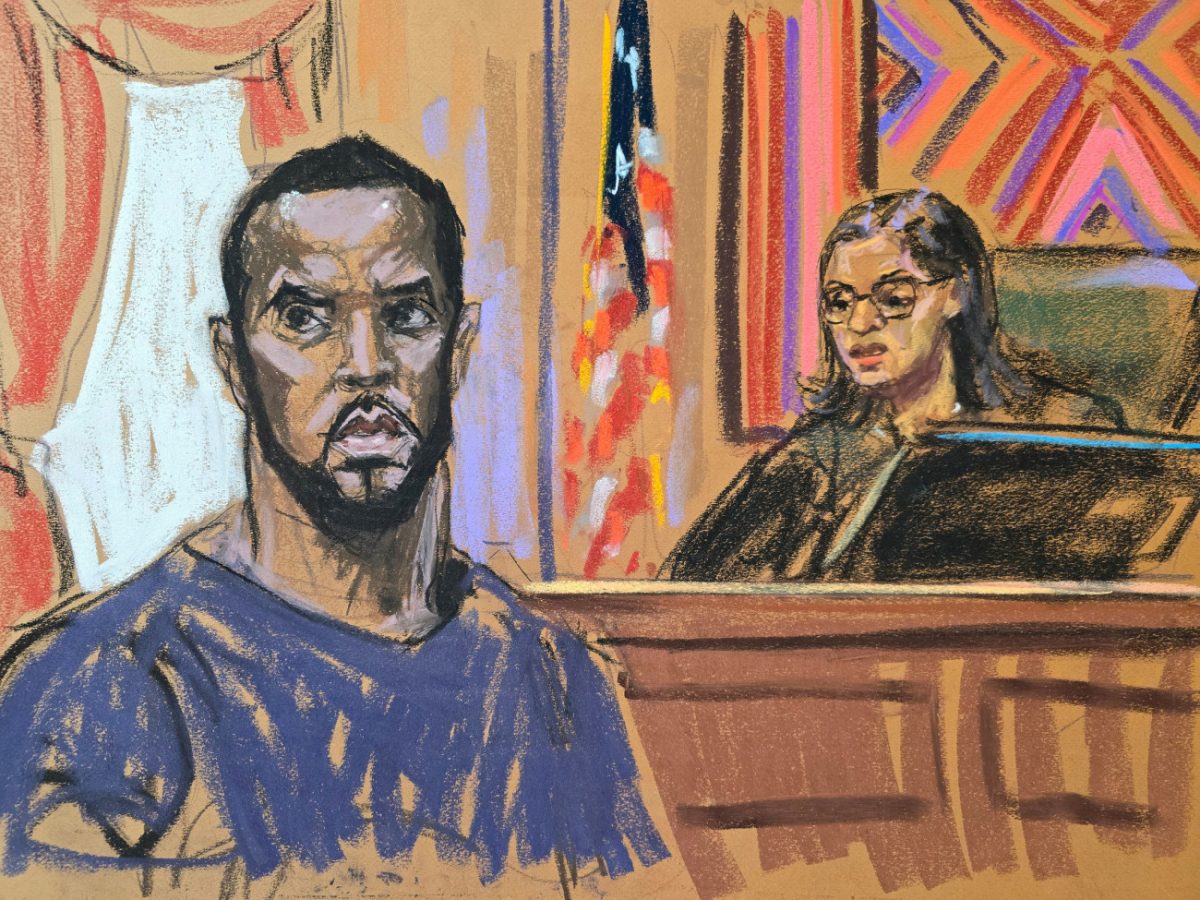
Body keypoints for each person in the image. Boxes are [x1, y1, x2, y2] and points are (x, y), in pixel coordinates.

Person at [0, 136, 669, 893]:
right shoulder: (96, 686)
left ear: (458, 351)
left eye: (407, 314)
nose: (365, 363)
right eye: (304, 318)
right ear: (233, 363)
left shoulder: (553, 680)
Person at [664, 189, 1126, 582]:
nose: (859, 323)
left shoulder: (1065, 429)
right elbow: (679, 593)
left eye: (895, 298)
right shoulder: (810, 462)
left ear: (956, 293)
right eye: (839, 302)